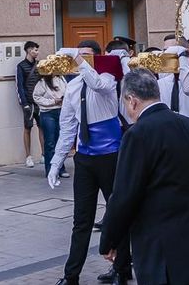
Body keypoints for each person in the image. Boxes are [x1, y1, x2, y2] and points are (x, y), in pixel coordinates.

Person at [96, 69, 189, 285]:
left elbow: (125, 195)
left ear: (132, 100)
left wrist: (109, 239)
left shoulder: (137, 134)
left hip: (161, 251)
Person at [49, 41, 130, 285]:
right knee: (81, 219)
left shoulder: (108, 78)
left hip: (110, 156)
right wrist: (56, 161)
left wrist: (79, 59)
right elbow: (67, 127)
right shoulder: (73, 86)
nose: (80, 60)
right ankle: (71, 275)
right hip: (84, 158)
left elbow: (97, 84)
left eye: (86, 56)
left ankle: (121, 269)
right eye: (79, 55)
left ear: (98, 57)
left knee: (117, 214)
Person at [33, 65, 66, 177]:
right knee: (50, 142)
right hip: (48, 113)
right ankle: (50, 169)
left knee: (60, 141)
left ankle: (60, 168)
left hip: (60, 111)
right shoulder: (42, 82)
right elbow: (36, 97)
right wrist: (53, 101)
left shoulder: (61, 79)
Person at [16, 41, 44, 167]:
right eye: (35, 50)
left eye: (37, 50)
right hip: (28, 102)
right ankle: (28, 156)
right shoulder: (21, 66)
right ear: (28, 50)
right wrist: (24, 103)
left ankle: (44, 155)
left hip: (40, 102)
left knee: (42, 127)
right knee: (28, 128)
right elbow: (19, 86)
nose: (37, 52)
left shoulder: (40, 65)